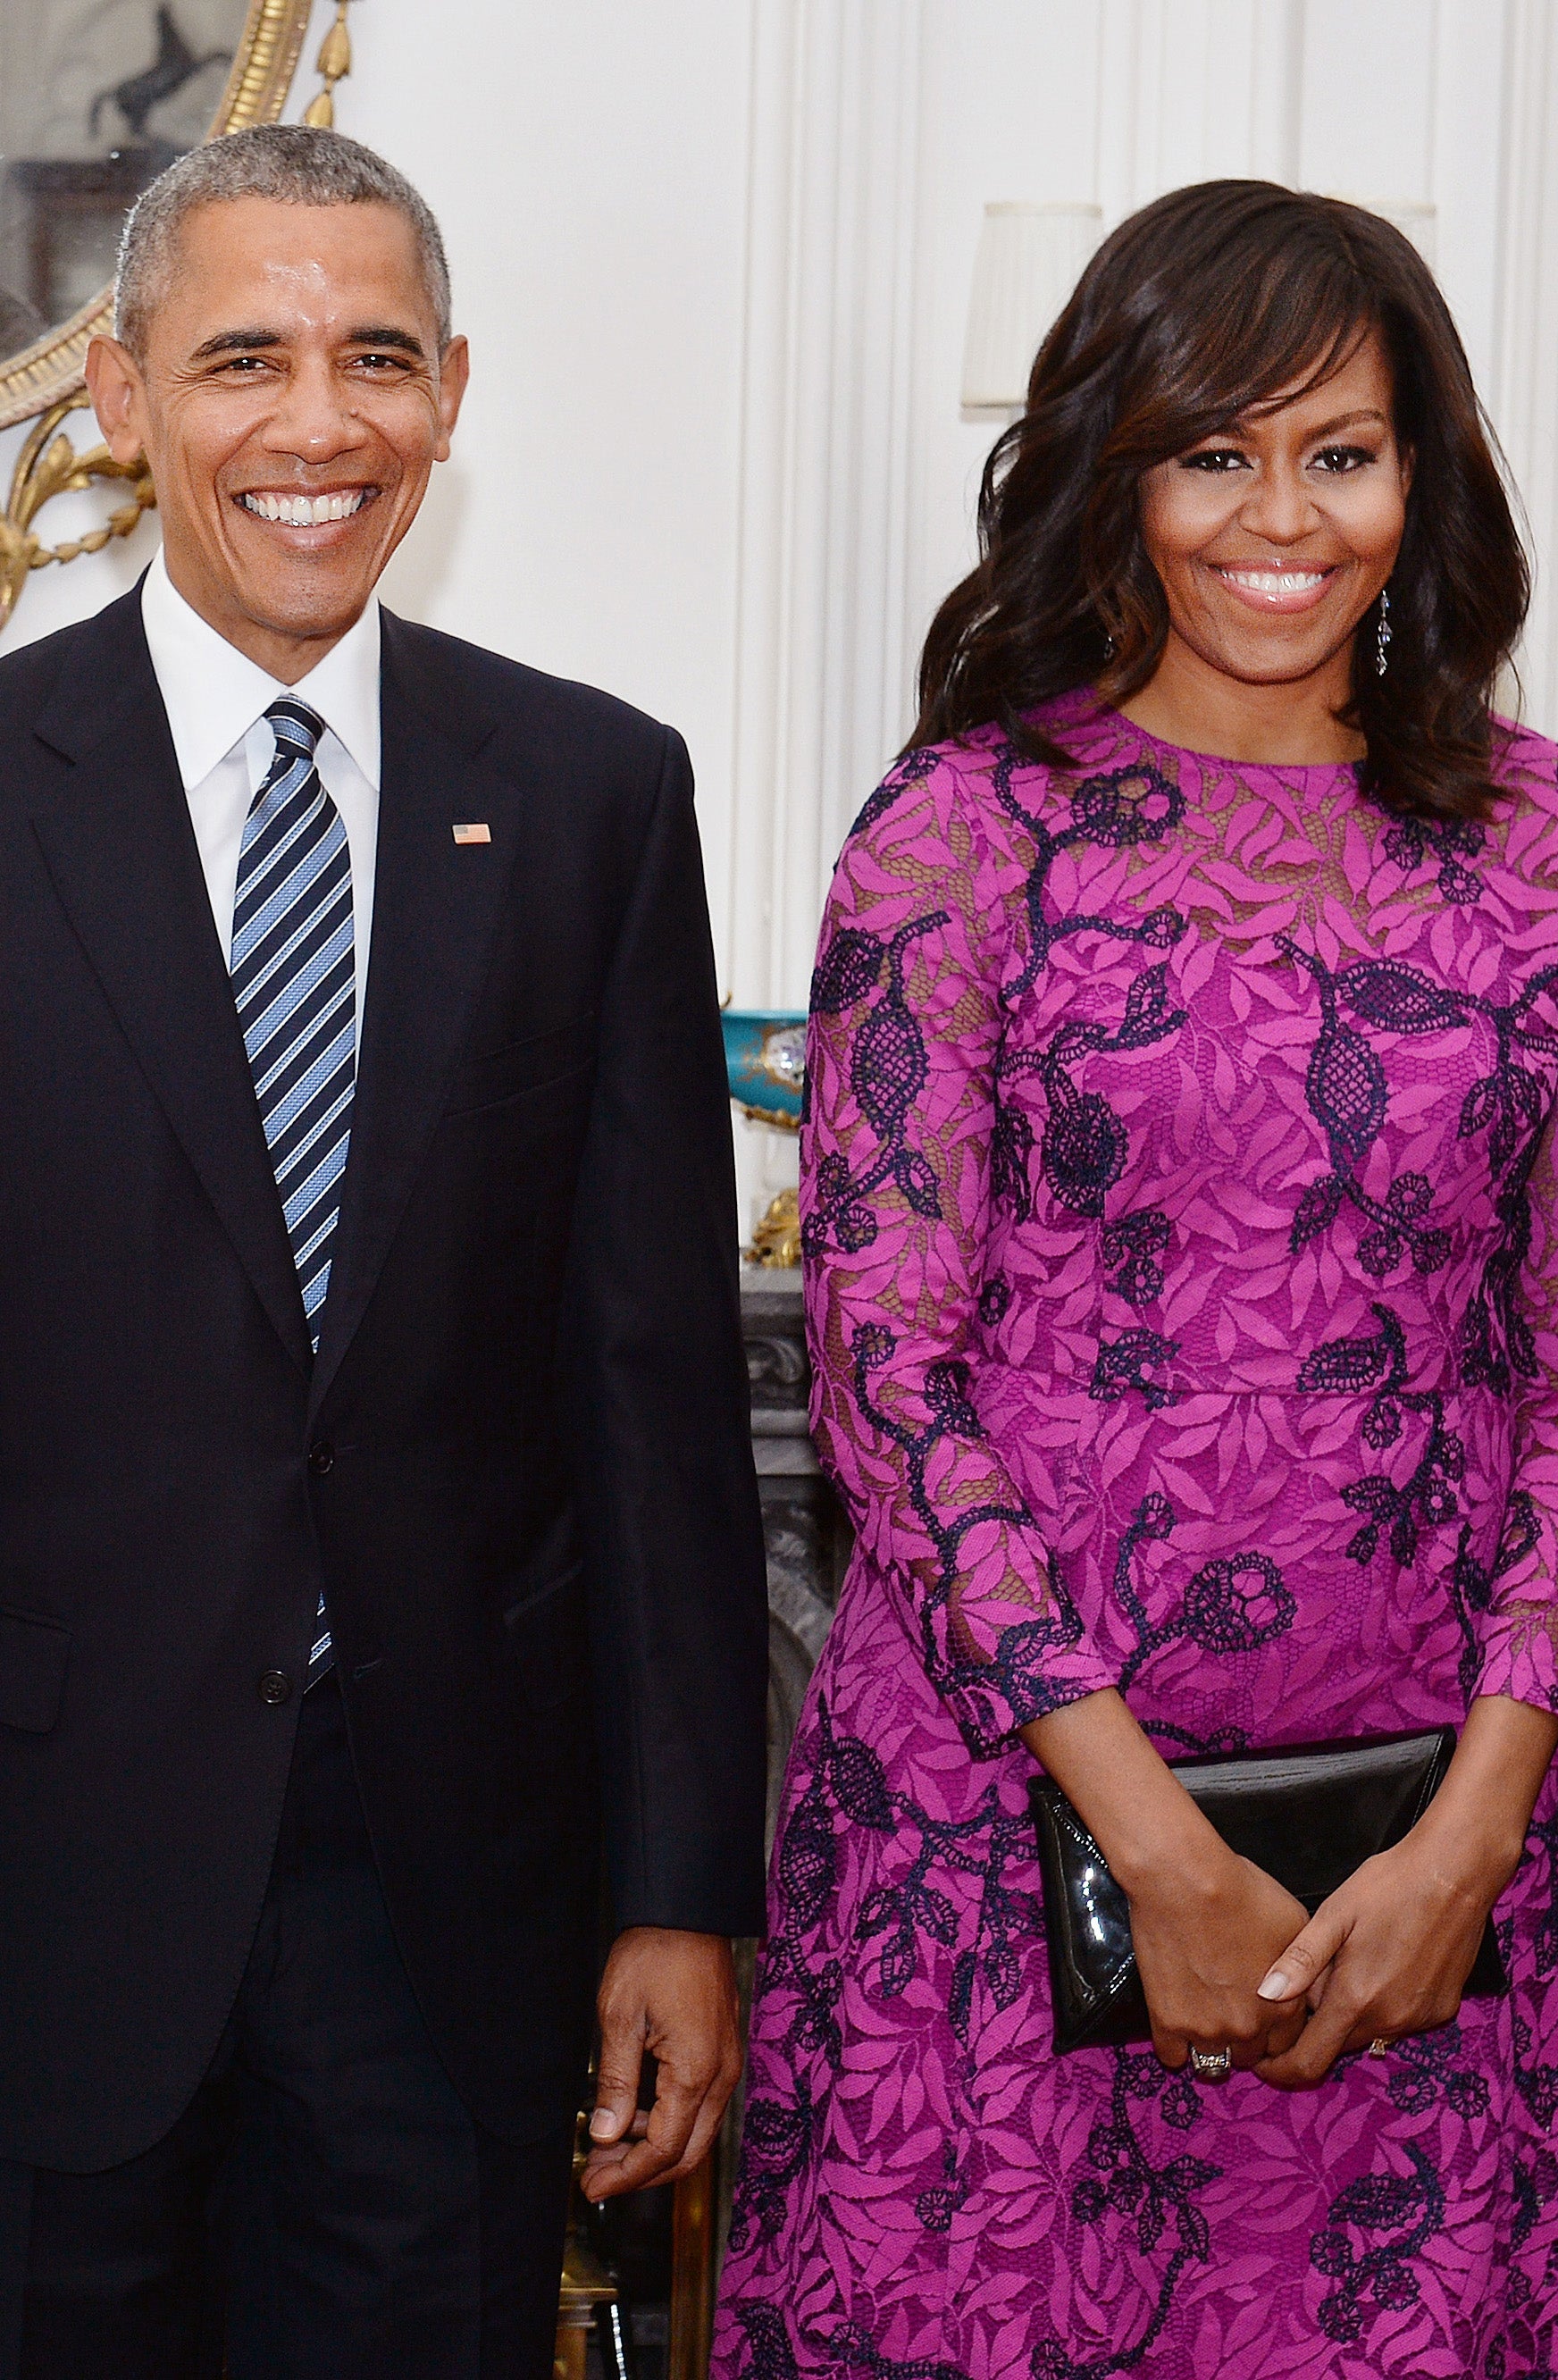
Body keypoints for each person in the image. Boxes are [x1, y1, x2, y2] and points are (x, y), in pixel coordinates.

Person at [714, 180, 1558, 2379]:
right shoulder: (966, 831)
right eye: (1216, 449)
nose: (1278, 516)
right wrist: (1149, 1844)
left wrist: (1479, 1830)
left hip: (1438, 1893)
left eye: (1343, 450)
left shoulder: (1553, 845)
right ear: (1119, 467)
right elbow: (883, 1374)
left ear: (1424, 477)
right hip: (995, 1860)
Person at [0, 123, 766, 2378]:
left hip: (448, 1912)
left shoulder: (592, 796)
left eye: (377, 358)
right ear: (123, 399)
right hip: (48, 1883)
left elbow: (650, 1403)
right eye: (242, 357)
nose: (317, 425)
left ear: (453, 391)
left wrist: (678, 1892)